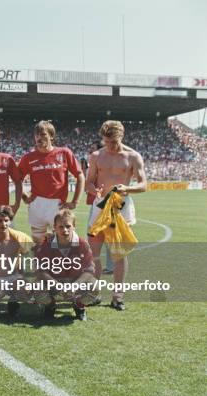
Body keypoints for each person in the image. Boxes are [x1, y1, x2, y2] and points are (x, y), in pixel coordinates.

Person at [86, 120, 147, 310]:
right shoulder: (96, 156)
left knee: (119, 255)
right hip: (100, 206)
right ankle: (94, 293)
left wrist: (127, 188)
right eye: (106, 142)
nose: (110, 146)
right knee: (94, 253)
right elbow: (88, 182)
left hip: (121, 207)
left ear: (121, 136)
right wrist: (94, 190)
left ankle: (117, 296)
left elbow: (143, 185)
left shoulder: (133, 157)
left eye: (113, 142)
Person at [18, 121, 85, 243]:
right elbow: (17, 179)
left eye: (43, 134)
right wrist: (23, 196)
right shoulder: (28, 158)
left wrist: (75, 201)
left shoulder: (64, 153)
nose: (39, 137)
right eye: (37, 135)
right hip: (37, 205)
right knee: (39, 243)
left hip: (58, 205)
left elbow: (80, 176)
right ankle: (42, 262)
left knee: (63, 242)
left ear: (51, 136)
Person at [33, 209, 98, 321]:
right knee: (36, 286)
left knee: (95, 285)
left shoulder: (83, 245)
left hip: (75, 283)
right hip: (54, 283)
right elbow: (39, 271)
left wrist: (75, 286)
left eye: (68, 226)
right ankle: (50, 305)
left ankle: (79, 305)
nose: (65, 230)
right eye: (61, 227)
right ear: (54, 227)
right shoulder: (46, 244)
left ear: (74, 226)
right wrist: (57, 285)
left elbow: (90, 270)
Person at [84, 140, 113, 276]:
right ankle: (107, 265)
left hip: (103, 202)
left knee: (97, 234)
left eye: (93, 149)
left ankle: (96, 265)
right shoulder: (95, 163)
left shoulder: (101, 165)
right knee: (99, 235)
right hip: (96, 201)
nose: (91, 151)